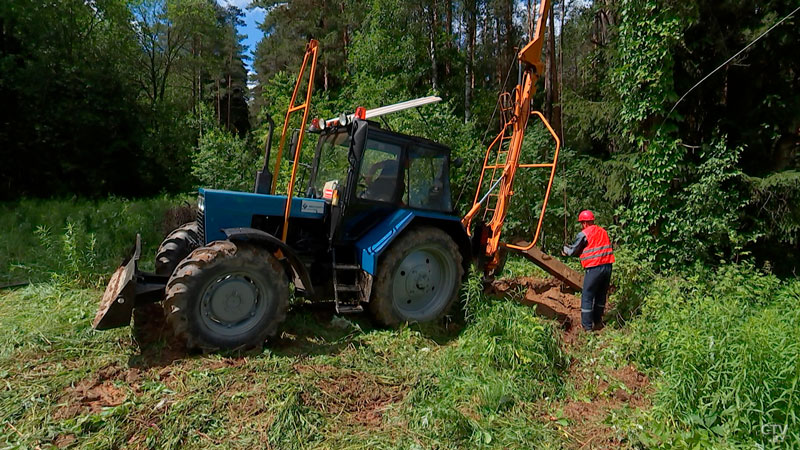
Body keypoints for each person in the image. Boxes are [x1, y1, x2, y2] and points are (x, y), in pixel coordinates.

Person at [562, 210, 615, 331]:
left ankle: (587, 327)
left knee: (587, 295)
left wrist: (565, 250)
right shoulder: (603, 231)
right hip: (607, 266)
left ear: (584, 223)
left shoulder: (584, 234)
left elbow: (573, 250)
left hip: (594, 268)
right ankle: (598, 322)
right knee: (601, 294)